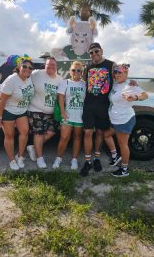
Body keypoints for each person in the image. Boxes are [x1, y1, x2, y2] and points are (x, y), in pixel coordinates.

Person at [80, 42, 119, 177]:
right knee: (88, 133)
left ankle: (96, 158)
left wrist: (131, 83)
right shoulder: (88, 67)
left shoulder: (111, 65)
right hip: (89, 105)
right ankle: (87, 162)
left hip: (103, 105)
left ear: (102, 51)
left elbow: (120, 78)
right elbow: (84, 82)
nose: (94, 54)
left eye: (96, 51)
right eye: (91, 53)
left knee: (101, 133)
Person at [105, 64, 148, 177]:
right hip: (115, 119)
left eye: (120, 72)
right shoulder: (115, 83)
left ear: (126, 74)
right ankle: (115, 157)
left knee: (123, 145)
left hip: (124, 119)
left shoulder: (129, 85)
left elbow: (145, 95)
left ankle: (124, 170)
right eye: (116, 72)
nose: (117, 74)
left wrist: (135, 97)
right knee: (107, 135)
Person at [0, 58, 35, 170]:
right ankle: (12, 160)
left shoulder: (29, 78)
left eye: (30, 68)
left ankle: (20, 156)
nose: (27, 69)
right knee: (10, 135)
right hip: (7, 110)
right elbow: (2, 100)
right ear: (19, 67)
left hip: (21, 110)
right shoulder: (11, 80)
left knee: (24, 132)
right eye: (24, 66)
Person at [27, 56, 62, 168]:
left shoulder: (60, 79)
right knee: (39, 133)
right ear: (45, 66)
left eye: (53, 65)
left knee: (52, 131)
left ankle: (33, 147)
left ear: (56, 67)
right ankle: (40, 158)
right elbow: (22, 77)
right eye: (48, 64)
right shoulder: (36, 74)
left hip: (52, 113)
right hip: (36, 110)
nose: (51, 66)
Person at [52, 61, 86, 170]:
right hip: (67, 115)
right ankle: (58, 158)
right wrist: (63, 112)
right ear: (70, 71)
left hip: (80, 116)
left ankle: (74, 159)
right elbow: (60, 98)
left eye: (79, 70)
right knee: (64, 137)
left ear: (82, 72)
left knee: (77, 137)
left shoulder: (85, 84)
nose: (76, 72)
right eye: (74, 70)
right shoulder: (65, 82)